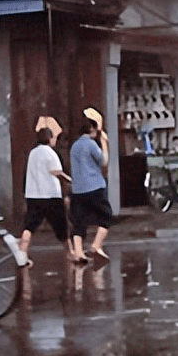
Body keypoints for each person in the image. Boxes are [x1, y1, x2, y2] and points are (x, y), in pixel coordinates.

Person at [18, 126, 73, 266]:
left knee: (29, 226)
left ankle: (22, 254)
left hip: (33, 195)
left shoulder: (33, 153)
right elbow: (56, 172)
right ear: (49, 138)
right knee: (61, 226)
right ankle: (70, 253)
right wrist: (69, 179)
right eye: (53, 137)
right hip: (50, 195)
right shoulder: (50, 153)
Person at [69, 109, 113, 264]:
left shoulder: (74, 146)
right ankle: (96, 245)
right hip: (94, 187)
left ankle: (79, 253)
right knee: (106, 216)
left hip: (77, 189)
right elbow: (104, 161)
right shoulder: (90, 144)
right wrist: (104, 143)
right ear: (91, 129)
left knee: (78, 221)